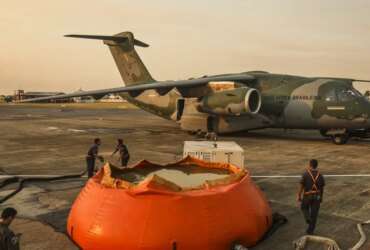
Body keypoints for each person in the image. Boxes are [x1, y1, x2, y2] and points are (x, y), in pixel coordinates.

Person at [297, 159, 325, 235]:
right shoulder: (321, 176)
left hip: (307, 196)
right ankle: (310, 231)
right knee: (314, 215)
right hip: (317, 197)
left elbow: (301, 186)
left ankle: (307, 218)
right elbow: (322, 188)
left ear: (310, 165)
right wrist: (321, 198)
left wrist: (299, 195)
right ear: (316, 165)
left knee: (304, 207)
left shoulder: (305, 174)